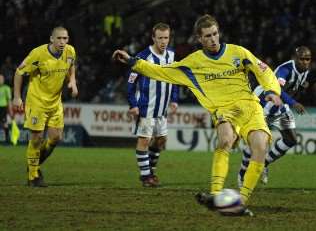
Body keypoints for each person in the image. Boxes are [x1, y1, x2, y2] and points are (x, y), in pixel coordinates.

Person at [113, 14, 281, 216]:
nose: (213, 39)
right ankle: (216, 194)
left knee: (261, 147)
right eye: (208, 36)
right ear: (199, 39)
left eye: (215, 34)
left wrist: (271, 91)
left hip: (250, 108)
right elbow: (161, 71)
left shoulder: (238, 52)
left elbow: (264, 71)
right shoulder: (193, 63)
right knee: (225, 140)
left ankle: (239, 203)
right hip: (223, 110)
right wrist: (133, 61)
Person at [238, 46, 313, 186]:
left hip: (280, 107)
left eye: (307, 59)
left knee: (291, 139)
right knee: (257, 143)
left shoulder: (305, 71)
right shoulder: (285, 70)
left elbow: (294, 87)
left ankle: (264, 163)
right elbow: (276, 90)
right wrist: (293, 102)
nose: (304, 62)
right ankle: (242, 175)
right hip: (263, 104)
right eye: (301, 59)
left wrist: (301, 87)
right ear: (295, 58)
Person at [13, 26, 78, 187]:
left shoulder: (70, 51)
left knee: (56, 138)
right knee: (36, 139)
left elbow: (71, 66)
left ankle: (33, 163)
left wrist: (72, 81)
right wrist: (16, 97)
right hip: (37, 102)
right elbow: (19, 72)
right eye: (59, 38)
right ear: (51, 39)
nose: (63, 42)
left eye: (65, 38)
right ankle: (33, 175)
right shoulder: (38, 54)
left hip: (55, 103)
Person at [127, 23, 178, 187]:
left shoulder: (171, 55)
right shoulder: (142, 57)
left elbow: (174, 78)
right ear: (153, 38)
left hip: (162, 109)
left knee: (161, 141)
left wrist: (175, 99)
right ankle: (146, 176)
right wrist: (133, 104)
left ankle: (150, 172)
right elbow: (130, 83)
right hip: (146, 108)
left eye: (166, 38)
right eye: (160, 38)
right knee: (144, 140)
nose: (164, 41)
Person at [0, 74, 12, 144]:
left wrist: (10, 111)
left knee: (5, 123)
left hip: (3, 108)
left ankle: (7, 139)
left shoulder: (6, 88)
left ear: (4, 80)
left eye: (1, 79)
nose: (0, 80)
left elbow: (9, 100)